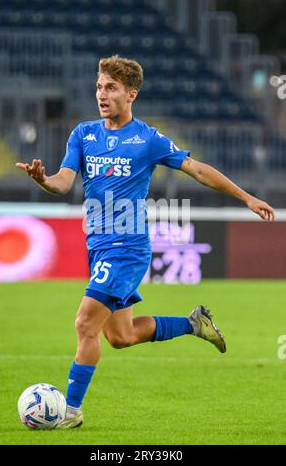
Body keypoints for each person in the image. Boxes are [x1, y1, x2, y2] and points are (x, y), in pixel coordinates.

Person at [16, 55, 275, 429]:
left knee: (85, 325)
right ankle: (193, 324)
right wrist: (42, 178)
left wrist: (246, 197)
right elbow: (62, 182)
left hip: (127, 247)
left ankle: (70, 413)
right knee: (120, 336)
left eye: (111, 88)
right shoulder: (83, 135)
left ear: (131, 94)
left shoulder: (147, 140)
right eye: (99, 87)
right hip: (99, 247)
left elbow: (198, 170)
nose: (101, 95)